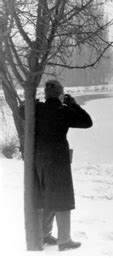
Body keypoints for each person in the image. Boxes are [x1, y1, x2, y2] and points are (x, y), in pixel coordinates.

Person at [20, 80, 93, 251]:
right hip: (58, 160)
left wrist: (30, 102)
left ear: (45, 94)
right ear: (60, 94)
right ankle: (65, 241)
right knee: (62, 199)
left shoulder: (37, 110)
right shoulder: (64, 111)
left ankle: (45, 235)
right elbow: (87, 122)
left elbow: (22, 111)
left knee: (45, 196)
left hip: (38, 159)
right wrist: (73, 104)